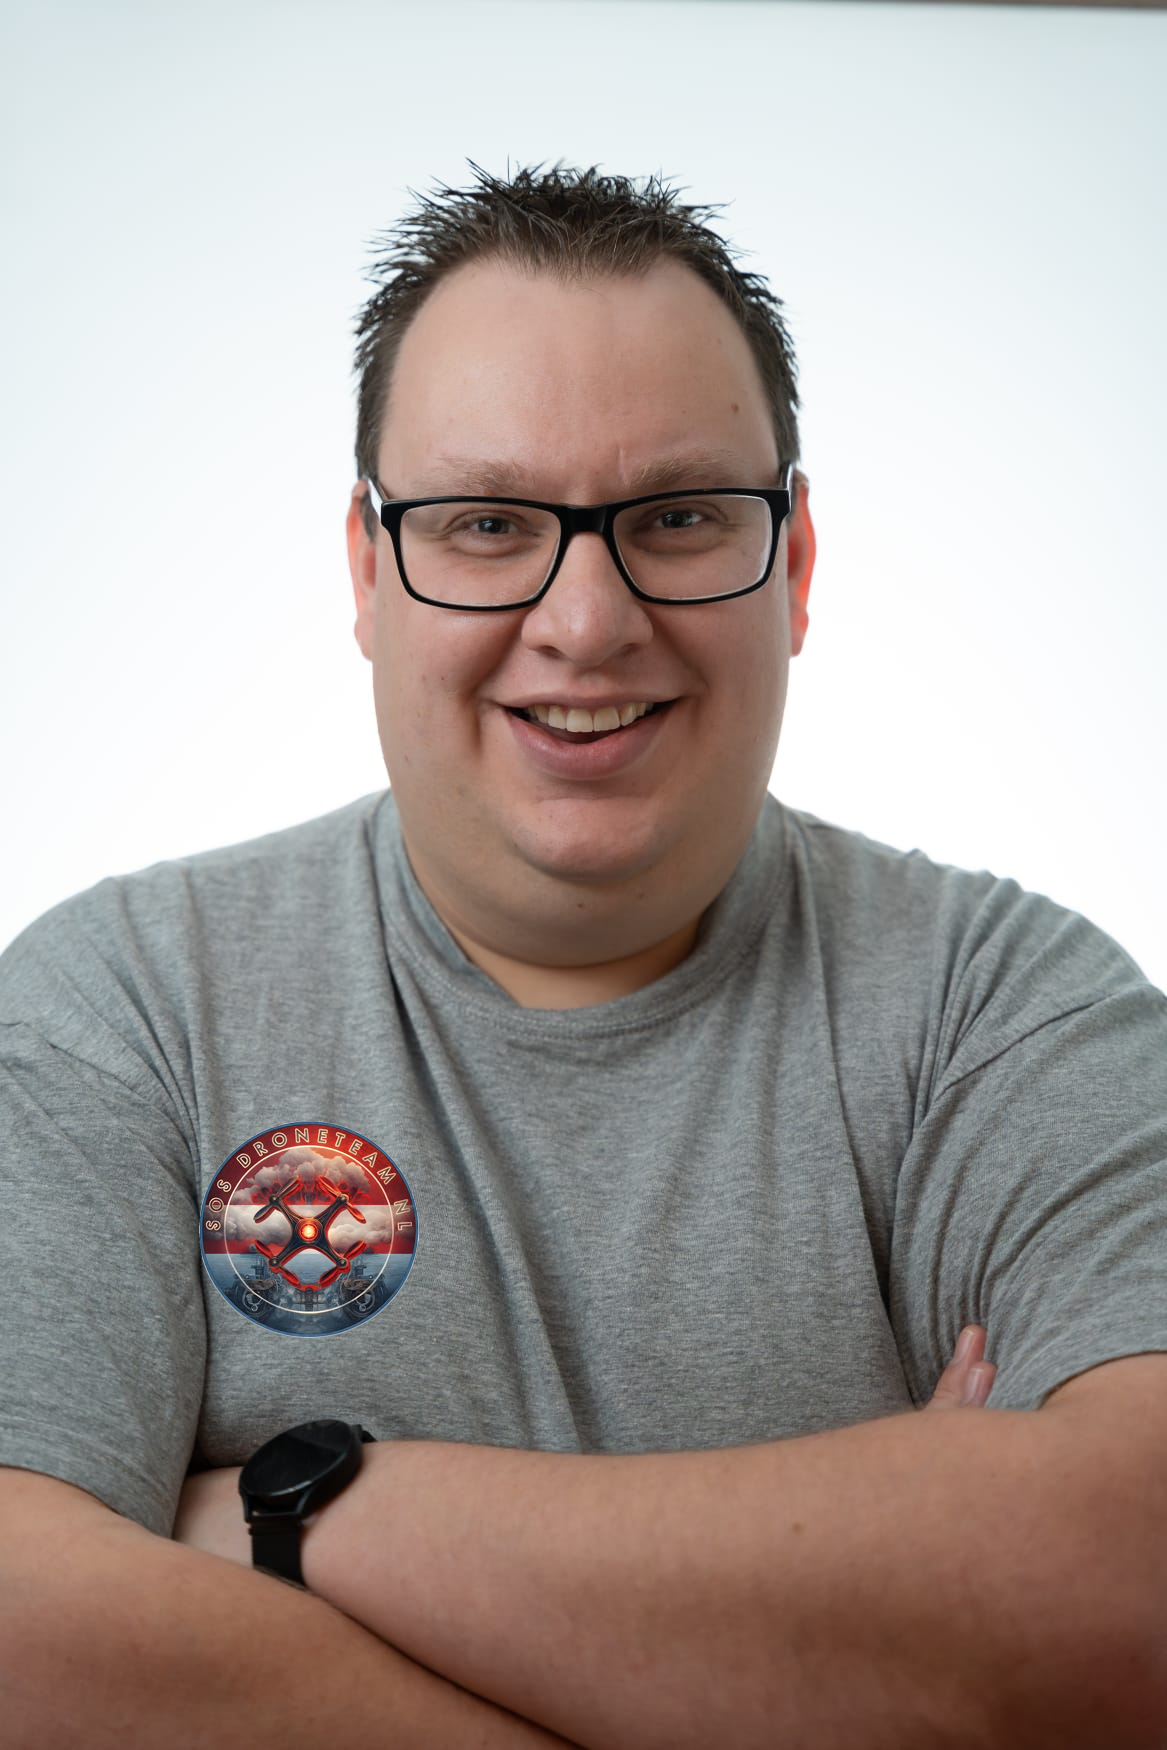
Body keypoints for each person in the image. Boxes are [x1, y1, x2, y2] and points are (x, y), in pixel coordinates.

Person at [1, 161, 1164, 1749]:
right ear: (368, 571)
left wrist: (303, 1513)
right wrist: (882, 1610)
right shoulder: (122, 1012)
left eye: (677, 518)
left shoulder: (1007, 1014)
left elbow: (1128, 1590)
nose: (587, 619)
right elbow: (24, 1644)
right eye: (489, 525)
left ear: (795, 563)